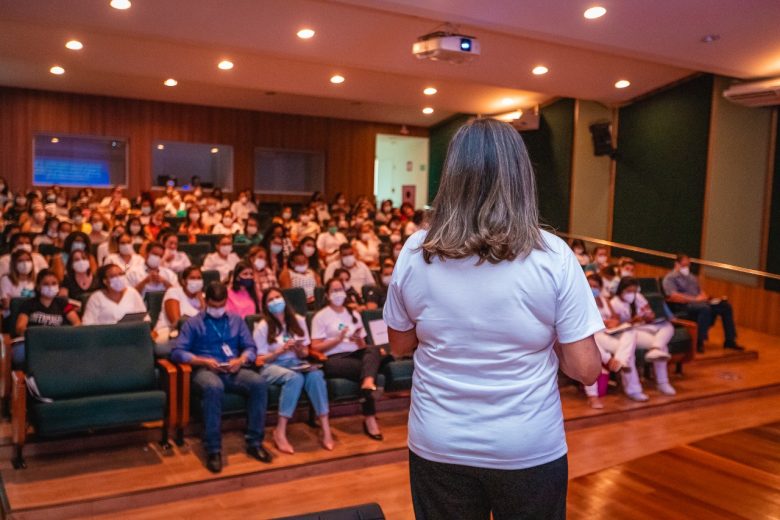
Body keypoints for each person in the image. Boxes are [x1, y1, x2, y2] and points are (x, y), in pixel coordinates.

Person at [383, 119, 602, 519]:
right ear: (521, 176)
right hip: (527, 445)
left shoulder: (416, 251)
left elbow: (399, 345)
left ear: (452, 176)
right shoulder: (553, 255)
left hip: (439, 442)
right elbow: (586, 370)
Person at [171, 281, 271, 473]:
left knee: (258, 383)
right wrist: (202, 361)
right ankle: (213, 449)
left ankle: (255, 442)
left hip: (232, 368)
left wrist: (241, 360)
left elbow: (250, 348)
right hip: (205, 370)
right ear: (206, 301)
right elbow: (177, 352)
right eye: (213, 306)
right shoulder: (193, 323)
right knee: (213, 387)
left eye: (221, 305)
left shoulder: (236, 320)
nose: (218, 309)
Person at [254, 288, 334, 453]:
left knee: (316, 375)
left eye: (278, 297)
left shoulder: (298, 320)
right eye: (270, 300)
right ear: (266, 306)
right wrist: (279, 351)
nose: (275, 302)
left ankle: (325, 428)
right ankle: (280, 431)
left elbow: (305, 352)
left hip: (296, 362)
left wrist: (299, 349)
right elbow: (259, 360)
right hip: (272, 366)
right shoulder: (262, 326)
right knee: (295, 378)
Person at [311, 278, 385, 441]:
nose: (338, 294)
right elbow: (315, 347)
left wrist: (357, 338)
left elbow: (362, 345)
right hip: (333, 359)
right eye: (334, 290)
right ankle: (370, 417)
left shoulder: (353, 314)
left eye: (340, 290)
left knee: (372, 349)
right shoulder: (320, 317)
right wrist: (337, 339)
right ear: (327, 294)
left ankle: (367, 384)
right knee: (367, 370)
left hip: (354, 354)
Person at [583, 273, 643, 408]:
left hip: (608, 334)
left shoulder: (604, 300)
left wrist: (613, 322)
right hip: (591, 336)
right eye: (590, 285)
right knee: (592, 347)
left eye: (596, 286)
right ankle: (593, 395)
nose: (593, 288)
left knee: (630, 332)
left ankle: (619, 361)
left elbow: (615, 318)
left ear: (600, 287)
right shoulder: (579, 300)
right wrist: (602, 322)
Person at [662, 254, 742, 352]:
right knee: (705, 309)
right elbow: (673, 296)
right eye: (683, 265)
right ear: (677, 264)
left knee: (725, 306)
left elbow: (699, 291)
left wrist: (705, 297)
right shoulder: (670, 278)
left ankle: (730, 340)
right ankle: (699, 341)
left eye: (688, 265)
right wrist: (695, 299)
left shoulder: (691, 277)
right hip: (685, 305)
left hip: (700, 302)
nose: (686, 268)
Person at [611, 277, 676, 396]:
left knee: (667, 327)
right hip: (627, 332)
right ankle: (642, 387)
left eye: (634, 291)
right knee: (661, 348)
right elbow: (615, 326)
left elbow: (648, 311)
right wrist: (632, 320)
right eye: (629, 291)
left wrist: (649, 316)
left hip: (642, 327)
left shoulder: (638, 297)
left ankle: (656, 351)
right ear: (622, 290)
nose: (632, 294)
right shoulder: (614, 303)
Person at [13, 269, 81, 366]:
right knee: (19, 353)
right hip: (34, 343)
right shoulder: (28, 304)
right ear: (38, 286)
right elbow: (19, 327)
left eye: (54, 283)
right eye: (46, 284)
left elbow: (77, 323)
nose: (50, 287)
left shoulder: (63, 303)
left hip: (58, 342)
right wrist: (36, 336)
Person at [82, 264, 148, 325]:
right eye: (113, 276)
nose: (119, 278)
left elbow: (145, 318)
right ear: (105, 281)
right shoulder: (96, 298)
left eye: (121, 274)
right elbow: (87, 324)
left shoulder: (132, 292)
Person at [154, 266, 205, 344]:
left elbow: (210, 321)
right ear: (184, 281)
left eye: (199, 278)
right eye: (192, 278)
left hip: (194, 335)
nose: (196, 281)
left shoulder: (202, 298)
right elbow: (177, 323)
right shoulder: (174, 292)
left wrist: (202, 301)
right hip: (168, 333)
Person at [0, 249, 37, 320]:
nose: (25, 263)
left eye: (28, 260)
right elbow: (6, 305)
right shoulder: (6, 279)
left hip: (33, 315)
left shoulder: (36, 280)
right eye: (20, 260)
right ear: (14, 263)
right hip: (13, 316)